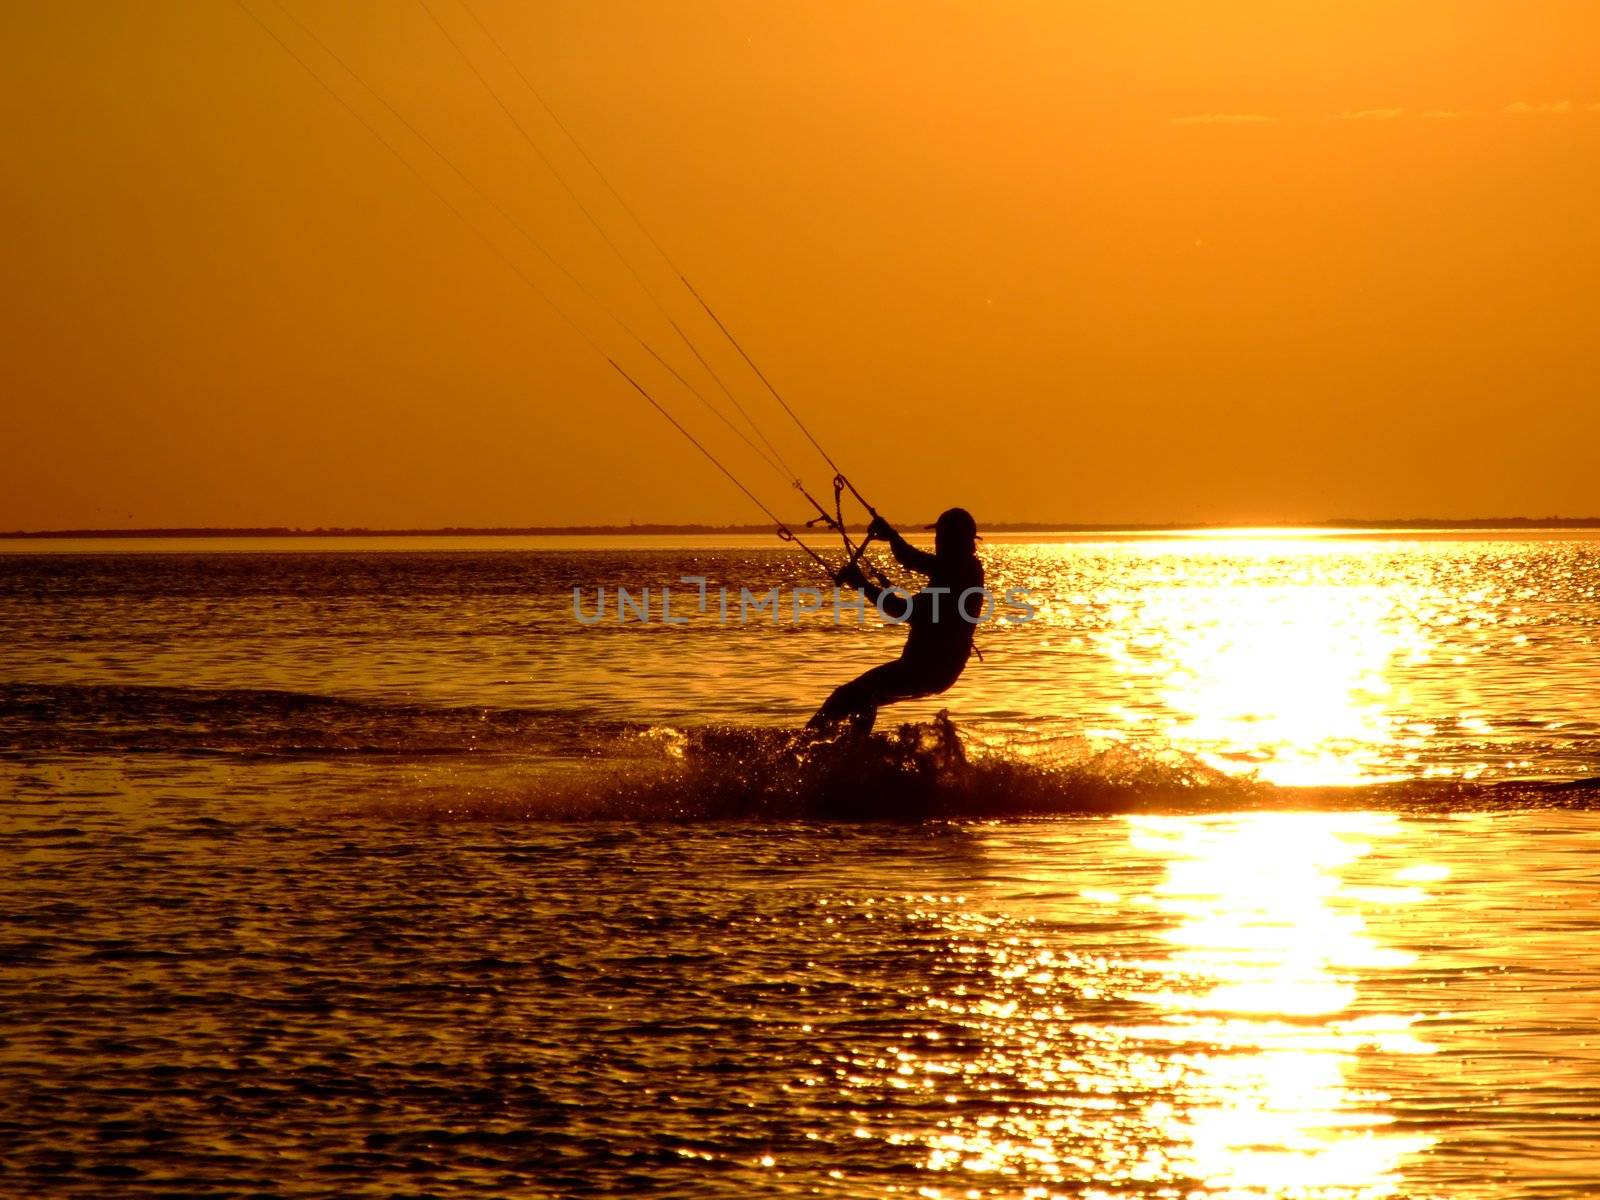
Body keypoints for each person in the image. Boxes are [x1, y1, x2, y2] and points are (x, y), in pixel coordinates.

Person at [808, 507, 984, 734]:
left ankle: (805, 747)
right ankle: (853, 752)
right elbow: (910, 559)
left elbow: (902, 610)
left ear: (955, 540)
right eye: (937, 536)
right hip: (939, 671)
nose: (937, 542)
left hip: (925, 668)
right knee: (864, 697)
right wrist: (891, 536)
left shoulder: (958, 572)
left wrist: (862, 584)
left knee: (848, 695)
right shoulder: (962, 568)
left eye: (941, 537)